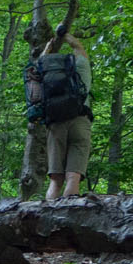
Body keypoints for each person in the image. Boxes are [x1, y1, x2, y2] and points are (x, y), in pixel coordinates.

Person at [27, 32, 92, 200]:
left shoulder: (44, 72)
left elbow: (37, 65)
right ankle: (69, 216)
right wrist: (66, 36)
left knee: (55, 180)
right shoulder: (81, 67)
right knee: (73, 177)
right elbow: (79, 48)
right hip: (80, 121)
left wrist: (49, 46)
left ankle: (49, 218)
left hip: (55, 124)